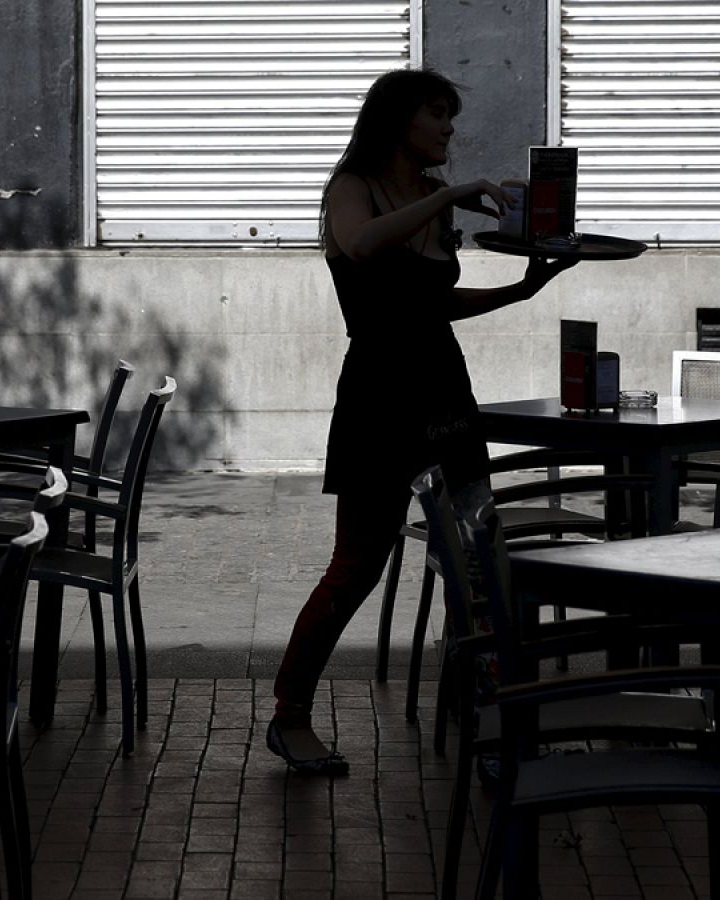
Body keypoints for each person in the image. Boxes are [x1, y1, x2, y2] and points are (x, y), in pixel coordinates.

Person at [267, 68, 578, 775]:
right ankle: (289, 717)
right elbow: (364, 246)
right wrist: (450, 193)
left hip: (443, 392)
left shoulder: (434, 211)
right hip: (380, 397)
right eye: (437, 115)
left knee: (479, 561)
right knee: (356, 569)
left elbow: (436, 304)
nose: (449, 129)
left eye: (449, 116)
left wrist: (521, 290)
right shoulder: (354, 188)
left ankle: (493, 719)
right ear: (398, 121)